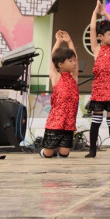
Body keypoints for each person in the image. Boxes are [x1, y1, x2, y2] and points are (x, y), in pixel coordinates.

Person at [86, 0, 110, 158]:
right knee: (96, 121)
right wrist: (96, 12)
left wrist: (106, 13)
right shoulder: (96, 49)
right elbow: (93, 28)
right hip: (99, 93)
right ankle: (92, 150)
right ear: (101, 37)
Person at [41, 30, 79, 158]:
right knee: (48, 154)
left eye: (74, 60)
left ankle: (58, 151)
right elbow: (52, 60)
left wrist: (69, 41)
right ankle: (46, 151)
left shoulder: (74, 77)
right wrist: (58, 41)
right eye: (70, 61)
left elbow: (76, 58)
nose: (74, 63)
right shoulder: (56, 77)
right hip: (55, 123)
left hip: (69, 123)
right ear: (60, 64)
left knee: (64, 154)